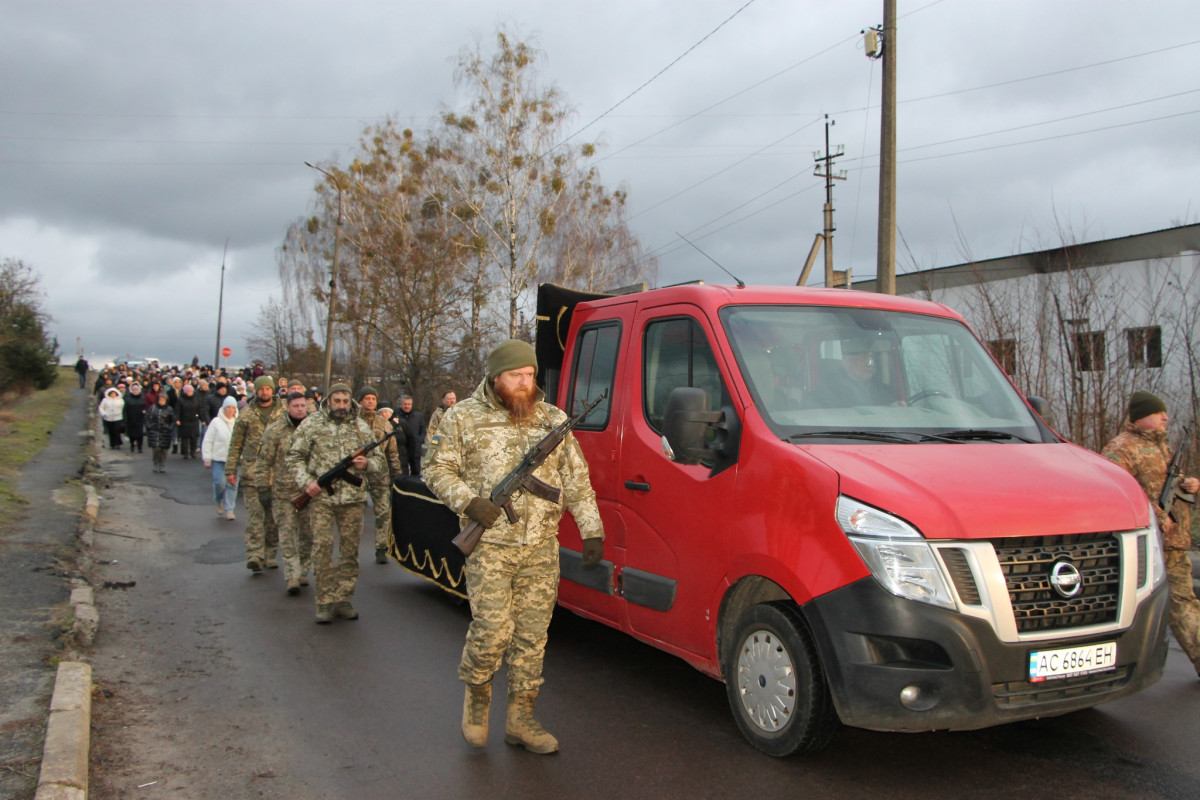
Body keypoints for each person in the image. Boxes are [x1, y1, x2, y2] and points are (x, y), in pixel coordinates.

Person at [424, 339, 605, 754]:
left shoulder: (552, 419)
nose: (525, 384)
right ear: (495, 377)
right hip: (490, 547)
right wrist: (469, 502)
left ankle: (521, 719)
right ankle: (477, 696)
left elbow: (577, 480)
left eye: (530, 375)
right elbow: (435, 468)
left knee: (532, 637)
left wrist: (591, 530)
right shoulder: (462, 418)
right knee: (491, 631)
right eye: (516, 376)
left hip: (541, 549)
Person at [1102, 390, 1200, 678]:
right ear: (1142, 416)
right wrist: (1156, 517)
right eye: (1159, 413)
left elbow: (1161, 486)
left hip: (1173, 543)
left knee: (1182, 602)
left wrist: (1188, 485)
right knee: (1138, 608)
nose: (1166, 417)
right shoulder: (1120, 449)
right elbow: (1114, 493)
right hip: (1144, 545)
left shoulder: (1163, 447)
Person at [286, 383, 385, 623]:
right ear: (329, 400)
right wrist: (306, 482)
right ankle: (324, 602)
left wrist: (366, 465)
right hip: (322, 499)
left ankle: (344, 599)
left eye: (345, 401)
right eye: (337, 401)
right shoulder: (313, 424)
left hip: (352, 501)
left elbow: (379, 461)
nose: (341, 406)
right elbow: (294, 455)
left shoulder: (361, 428)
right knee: (322, 549)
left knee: (350, 552)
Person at [255, 391, 314, 594]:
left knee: (308, 535)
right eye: (295, 406)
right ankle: (292, 575)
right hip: (283, 492)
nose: (299, 409)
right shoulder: (275, 430)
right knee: (287, 535)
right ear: (287, 407)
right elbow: (263, 462)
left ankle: (303, 570)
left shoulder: (313, 429)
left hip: (309, 491)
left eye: (302, 405)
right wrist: (263, 488)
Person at [226, 376, 284, 573]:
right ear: (256, 392)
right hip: (252, 473)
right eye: (261, 389)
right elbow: (236, 444)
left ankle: (270, 554)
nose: (265, 392)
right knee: (255, 516)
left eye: (268, 389)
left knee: (273, 518)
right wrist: (231, 469)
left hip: (277, 475)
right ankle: (254, 554)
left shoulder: (283, 413)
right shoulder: (246, 415)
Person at [357, 386, 406, 564]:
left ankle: (381, 546)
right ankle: (352, 547)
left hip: (380, 472)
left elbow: (392, 451)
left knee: (383, 511)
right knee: (356, 512)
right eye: (367, 398)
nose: (370, 401)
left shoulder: (384, 423)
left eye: (373, 399)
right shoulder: (353, 421)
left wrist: (397, 474)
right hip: (358, 473)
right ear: (360, 401)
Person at [202, 396, 240, 520]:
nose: (230, 410)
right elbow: (208, 440)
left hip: (235, 460)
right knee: (220, 483)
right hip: (218, 458)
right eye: (228, 407)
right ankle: (218, 500)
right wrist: (207, 458)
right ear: (223, 408)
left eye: (233, 408)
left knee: (232, 484)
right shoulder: (216, 422)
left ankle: (230, 509)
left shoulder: (239, 422)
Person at [145, 393, 176, 473]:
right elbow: (147, 418)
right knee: (156, 449)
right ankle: (155, 463)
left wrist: (170, 428)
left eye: (163, 400)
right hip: (154, 430)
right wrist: (149, 426)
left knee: (164, 450)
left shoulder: (169, 409)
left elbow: (173, 420)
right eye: (160, 400)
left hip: (165, 431)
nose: (162, 401)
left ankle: (162, 464)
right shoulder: (153, 408)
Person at [394, 395, 426, 472]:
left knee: (416, 470)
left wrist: (419, 440)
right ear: (401, 404)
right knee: (403, 471)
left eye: (409, 404)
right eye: (405, 404)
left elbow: (423, 430)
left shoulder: (418, 416)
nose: (407, 406)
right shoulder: (395, 415)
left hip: (415, 448)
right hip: (402, 449)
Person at [175, 383, 203, 459]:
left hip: (194, 420)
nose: (190, 393)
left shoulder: (196, 399)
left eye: (191, 391)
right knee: (185, 438)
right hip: (184, 421)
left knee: (194, 438)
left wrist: (202, 419)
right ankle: (185, 453)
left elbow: (199, 409)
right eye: (188, 391)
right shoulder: (181, 400)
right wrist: (177, 419)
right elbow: (177, 410)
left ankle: (192, 452)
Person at [123, 383, 146, 453]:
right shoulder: (128, 398)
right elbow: (125, 409)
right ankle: (132, 445)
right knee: (132, 434)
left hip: (140, 418)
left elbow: (145, 406)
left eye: (137, 390)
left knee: (140, 434)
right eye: (134, 390)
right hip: (131, 418)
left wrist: (145, 411)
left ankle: (140, 447)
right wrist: (125, 418)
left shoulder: (142, 398)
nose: (135, 391)